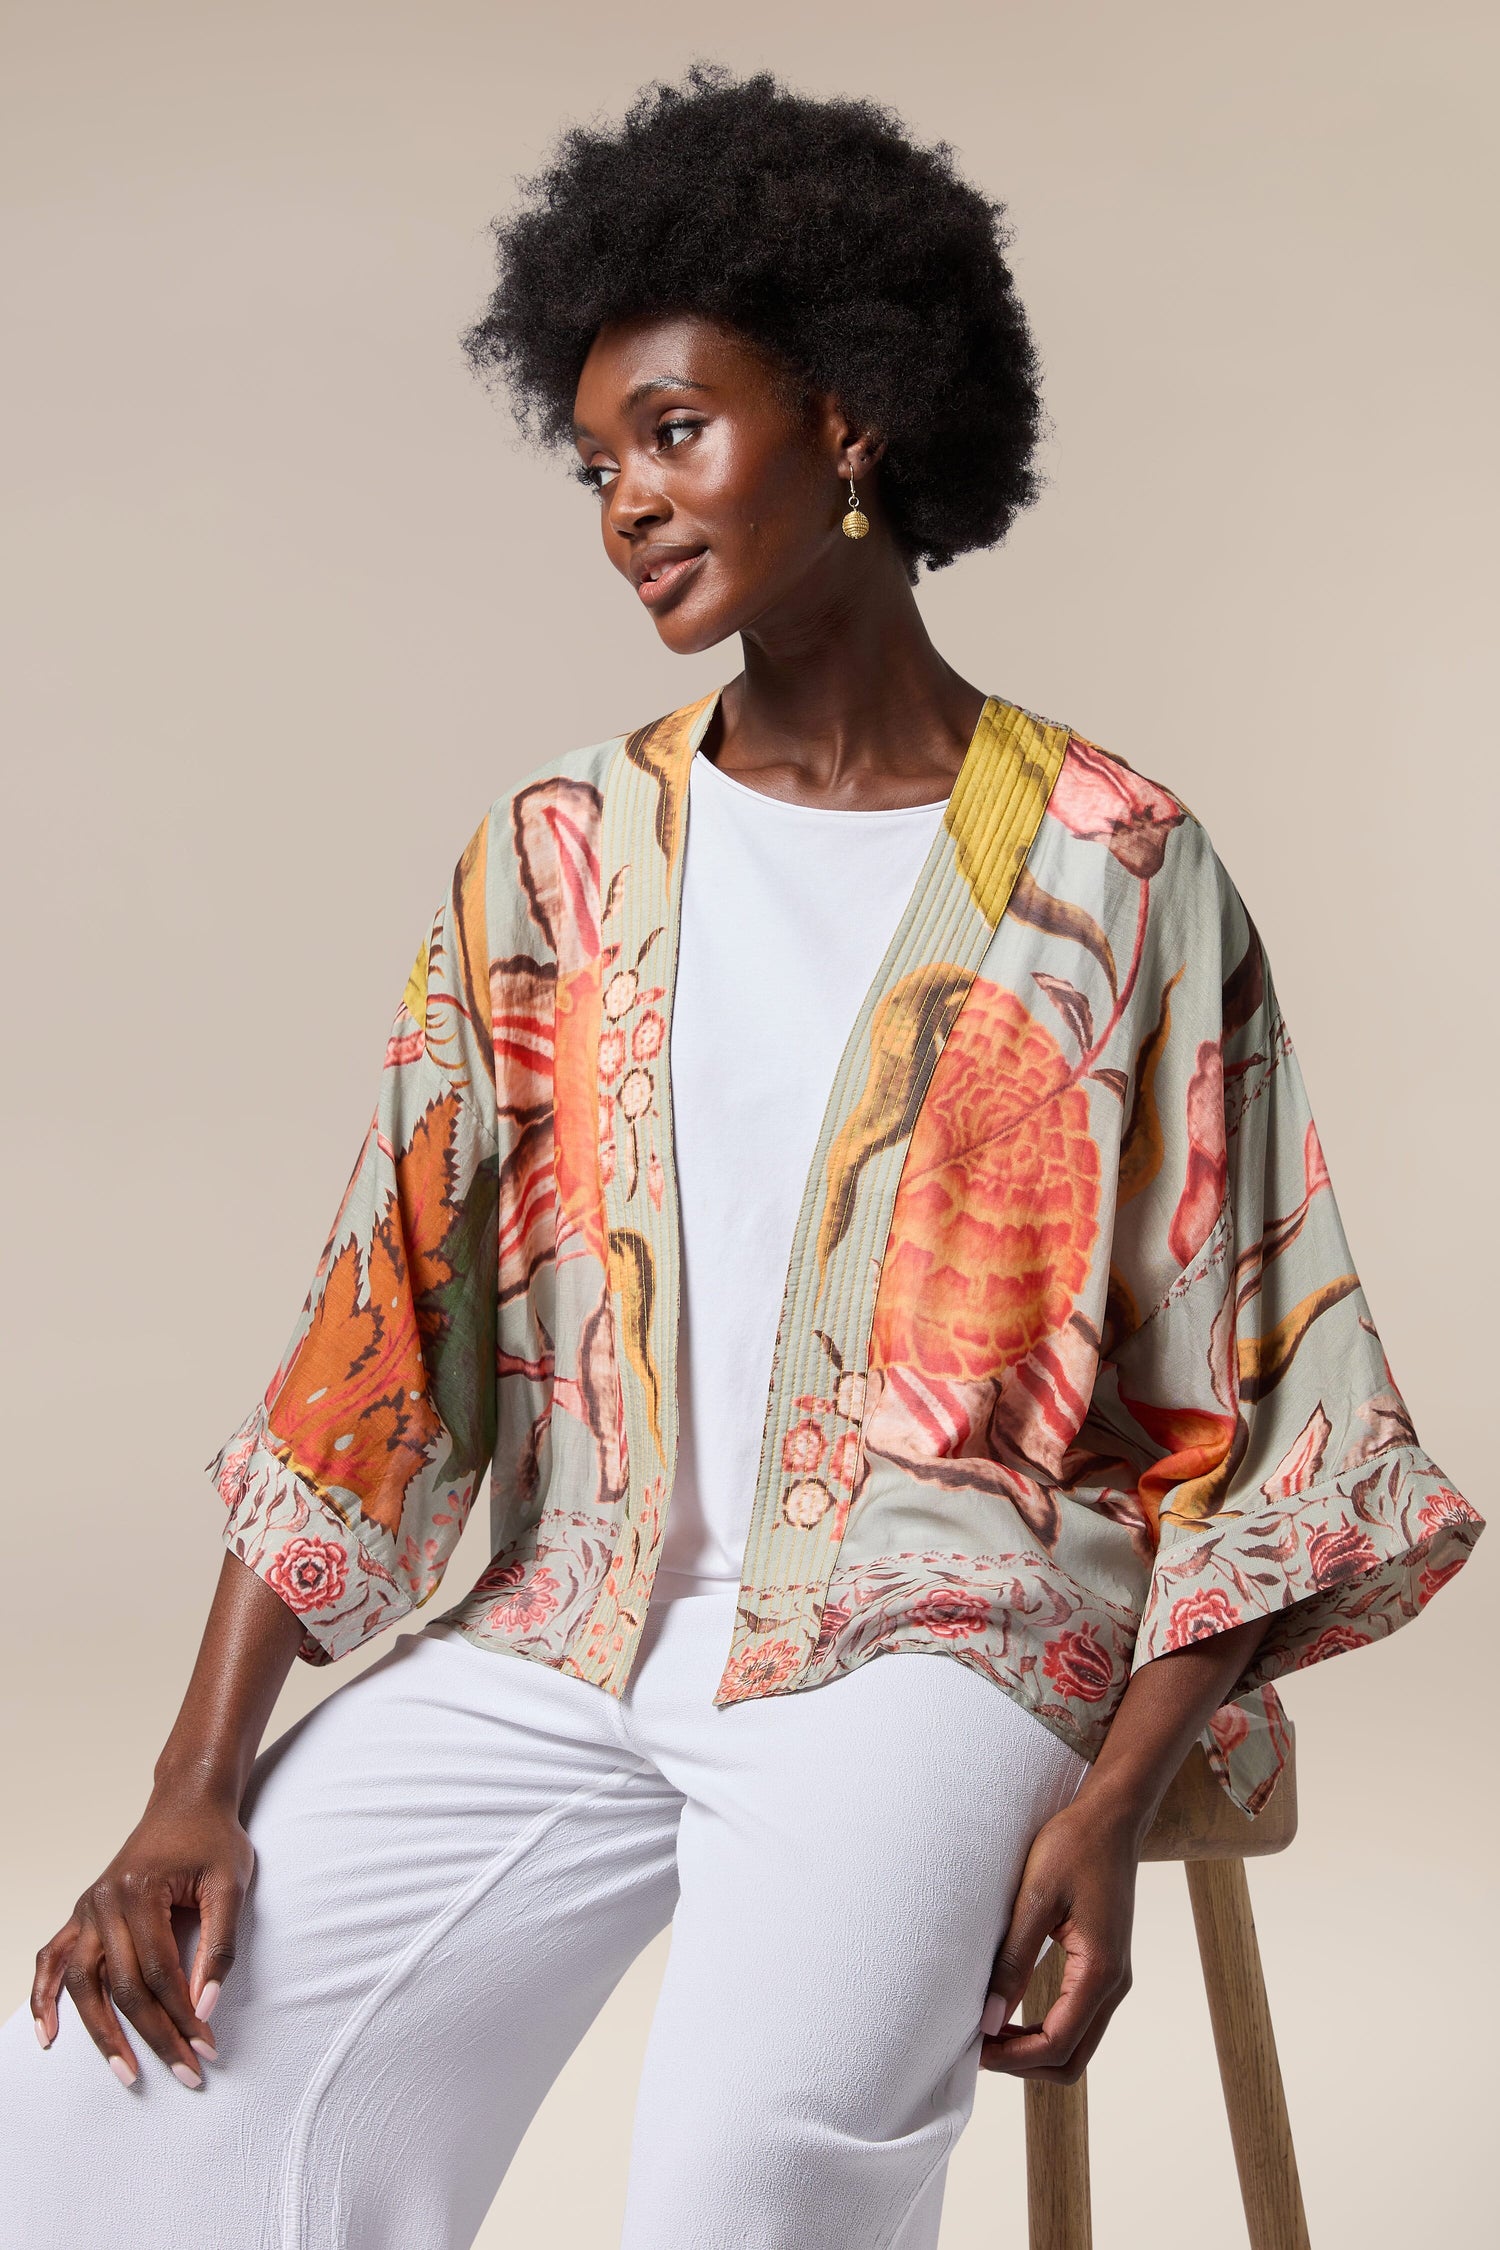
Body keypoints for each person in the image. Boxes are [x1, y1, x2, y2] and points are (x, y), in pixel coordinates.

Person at [0, 64, 1482, 2250]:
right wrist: (188, 1787)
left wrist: (1111, 1793)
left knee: (739, 2190)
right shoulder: (559, 856)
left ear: (856, 418)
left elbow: (1258, 1421)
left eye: (678, 434)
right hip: (560, 1628)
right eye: (600, 461)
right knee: (132, 2091)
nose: (629, 503)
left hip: (940, 1652)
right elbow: (376, 1330)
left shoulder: (1114, 873)